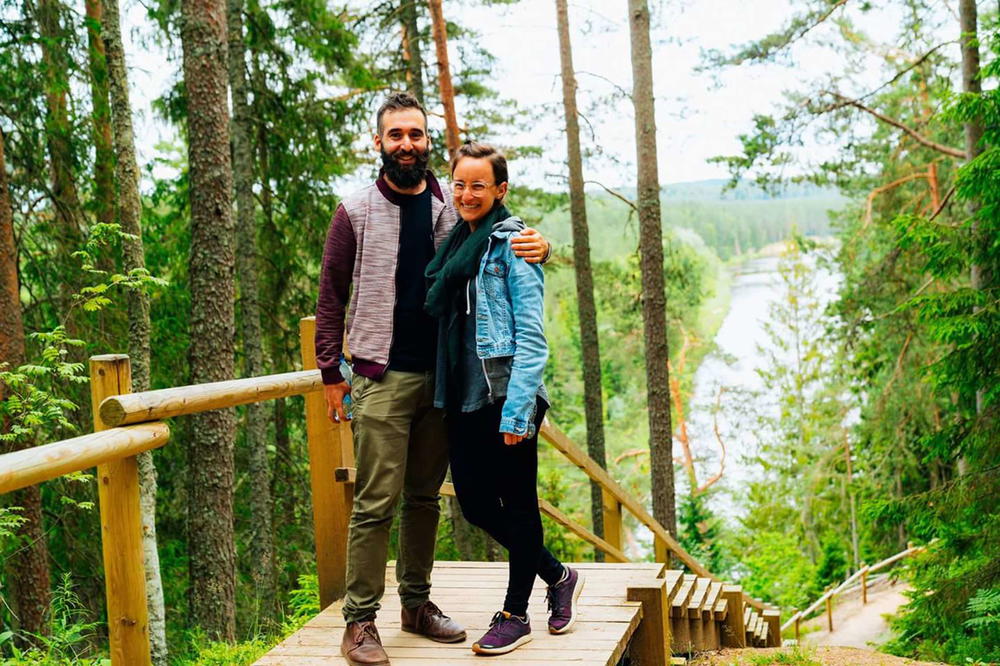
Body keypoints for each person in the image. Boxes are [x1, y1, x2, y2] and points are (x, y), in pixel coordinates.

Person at [315, 93, 550, 666]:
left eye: (416, 135)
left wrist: (543, 247)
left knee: (424, 499)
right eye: (395, 135)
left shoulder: (449, 207)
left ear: (428, 142)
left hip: (443, 380)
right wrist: (331, 372)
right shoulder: (354, 211)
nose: (406, 144)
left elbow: (499, 238)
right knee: (375, 502)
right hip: (381, 375)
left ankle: (416, 605)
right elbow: (330, 296)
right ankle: (360, 621)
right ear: (379, 142)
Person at [424, 141, 583, 656]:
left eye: (479, 185)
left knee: (517, 506)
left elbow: (533, 340)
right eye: (461, 183)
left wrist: (518, 411)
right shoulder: (453, 243)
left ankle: (516, 614)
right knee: (473, 502)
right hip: (463, 396)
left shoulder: (513, 244)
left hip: (505, 394)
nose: (468, 194)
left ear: (501, 190)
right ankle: (558, 575)